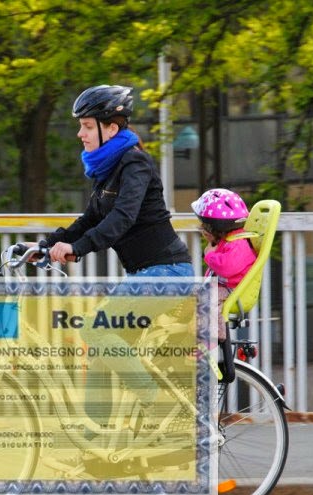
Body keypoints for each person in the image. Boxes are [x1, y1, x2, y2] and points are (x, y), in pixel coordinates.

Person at [43, 84, 193, 278]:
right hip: (142, 272)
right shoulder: (108, 166)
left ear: (112, 129)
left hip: (167, 271)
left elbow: (123, 216)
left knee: (105, 311)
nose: (80, 134)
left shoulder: (135, 162)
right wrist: (46, 245)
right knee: (104, 311)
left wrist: (77, 247)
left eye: (87, 126)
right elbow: (90, 219)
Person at [191, 188, 257, 341]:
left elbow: (226, 268)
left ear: (214, 227)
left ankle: (214, 336)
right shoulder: (229, 241)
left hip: (233, 291)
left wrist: (209, 254)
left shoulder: (239, 244)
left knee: (206, 297)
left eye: (204, 225)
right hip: (224, 288)